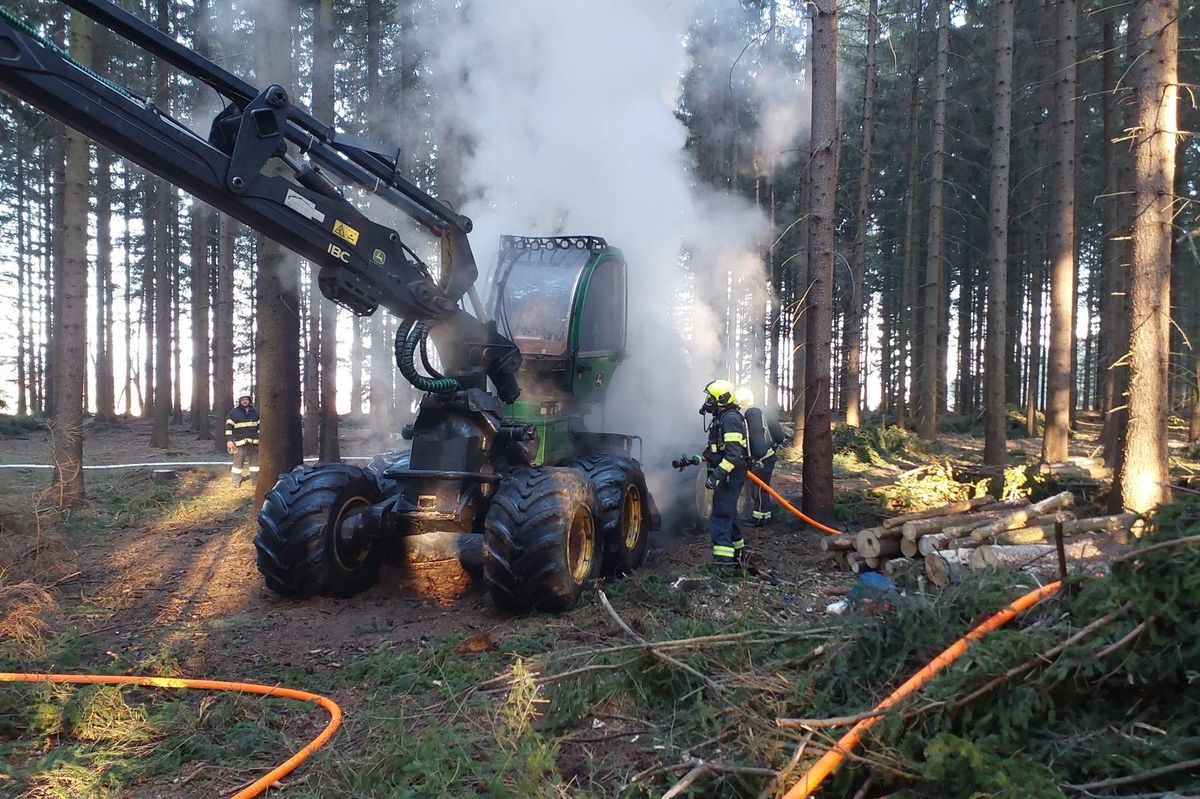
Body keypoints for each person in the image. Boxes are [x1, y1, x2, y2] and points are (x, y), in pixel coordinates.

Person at [688, 379, 750, 572]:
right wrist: (699, 459)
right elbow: (717, 450)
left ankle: (723, 564)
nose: (707, 401)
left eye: (711, 398)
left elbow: (733, 455)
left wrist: (716, 476)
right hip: (729, 473)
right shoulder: (722, 418)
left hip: (730, 474)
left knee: (720, 515)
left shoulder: (730, 419)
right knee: (728, 512)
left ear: (721, 399)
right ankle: (740, 555)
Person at [736, 386, 788, 526]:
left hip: (761, 459)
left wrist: (755, 458)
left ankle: (758, 519)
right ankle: (765, 516)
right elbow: (778, 435)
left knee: (757, 489)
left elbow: (753, 441)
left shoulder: (750, 415)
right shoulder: (761, 412)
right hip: (768, 456)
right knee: (763, 488)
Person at [224, 393, 260, 487]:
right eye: (243, 399)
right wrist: (229, 440)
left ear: (249, 400)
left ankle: (255, 480)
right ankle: (236, 481)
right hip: (239, 442)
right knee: (238, 462)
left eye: (246, 399)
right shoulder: (233, 413)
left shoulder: (256, 412)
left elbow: (260, 427)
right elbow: (228, 427)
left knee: (255, 463)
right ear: (240, 401)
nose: (245, 401)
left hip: (254, 442)